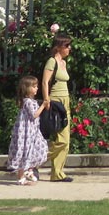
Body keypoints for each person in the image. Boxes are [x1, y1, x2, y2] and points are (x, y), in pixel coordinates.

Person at [40, 34, 74, 182]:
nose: (69, 49)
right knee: (62, 140)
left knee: (66, 139)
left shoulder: (64, 63)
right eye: (66, 46)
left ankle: (57, 173)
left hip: (65, 100)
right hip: (55, 101)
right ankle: (36, 160)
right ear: (58, 47)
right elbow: (45, 82)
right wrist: (47, 99)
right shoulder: (51, 61)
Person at [7, 75, 48, 185]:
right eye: (34, 87)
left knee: (38, 148)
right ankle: (21, 176)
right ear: (27, 88)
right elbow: (34, 115)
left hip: (33, 131)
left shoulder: (31, 101)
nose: (37, 89)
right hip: (26, 132)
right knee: (24, 151)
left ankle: (29, 169)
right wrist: (43, 105)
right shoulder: (28, 102)